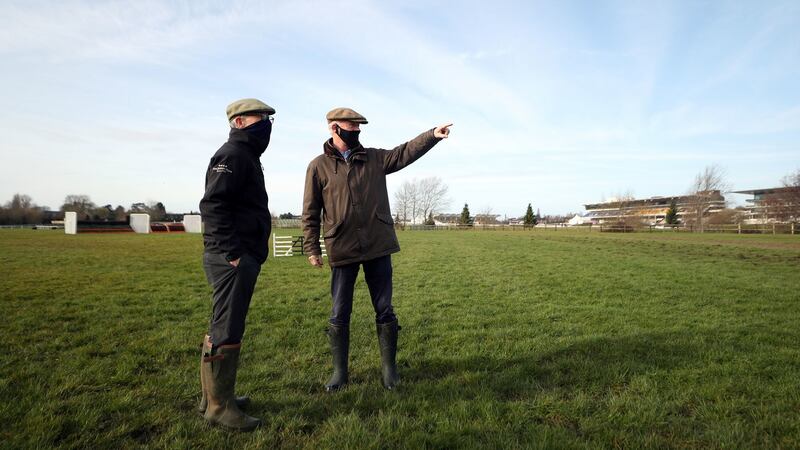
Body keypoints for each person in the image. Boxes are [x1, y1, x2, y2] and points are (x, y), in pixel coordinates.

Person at [302, 107, 452, 391]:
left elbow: (405, 152)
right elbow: (310, 212)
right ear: (334, 128)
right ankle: (339, 373)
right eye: (351, 127)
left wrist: (432, 136)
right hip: (342, 247)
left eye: (359, 128)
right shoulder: (318, 166)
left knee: (385, 309)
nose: (356, 131)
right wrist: (312, 248)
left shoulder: (374, 158)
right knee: (339, 312)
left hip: (377, 245)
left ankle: (389, 371)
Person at [197, 98, 275, 431]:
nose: (267, 124)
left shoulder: (246, 156)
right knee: (228, 328)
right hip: (232, 257)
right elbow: (213, 205)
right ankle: (219, 407)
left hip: (239, 254)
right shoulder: (232, 155)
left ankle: (212, 398)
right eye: (261, 118)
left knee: (222, 324)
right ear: (239, 122)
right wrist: (232, 252)